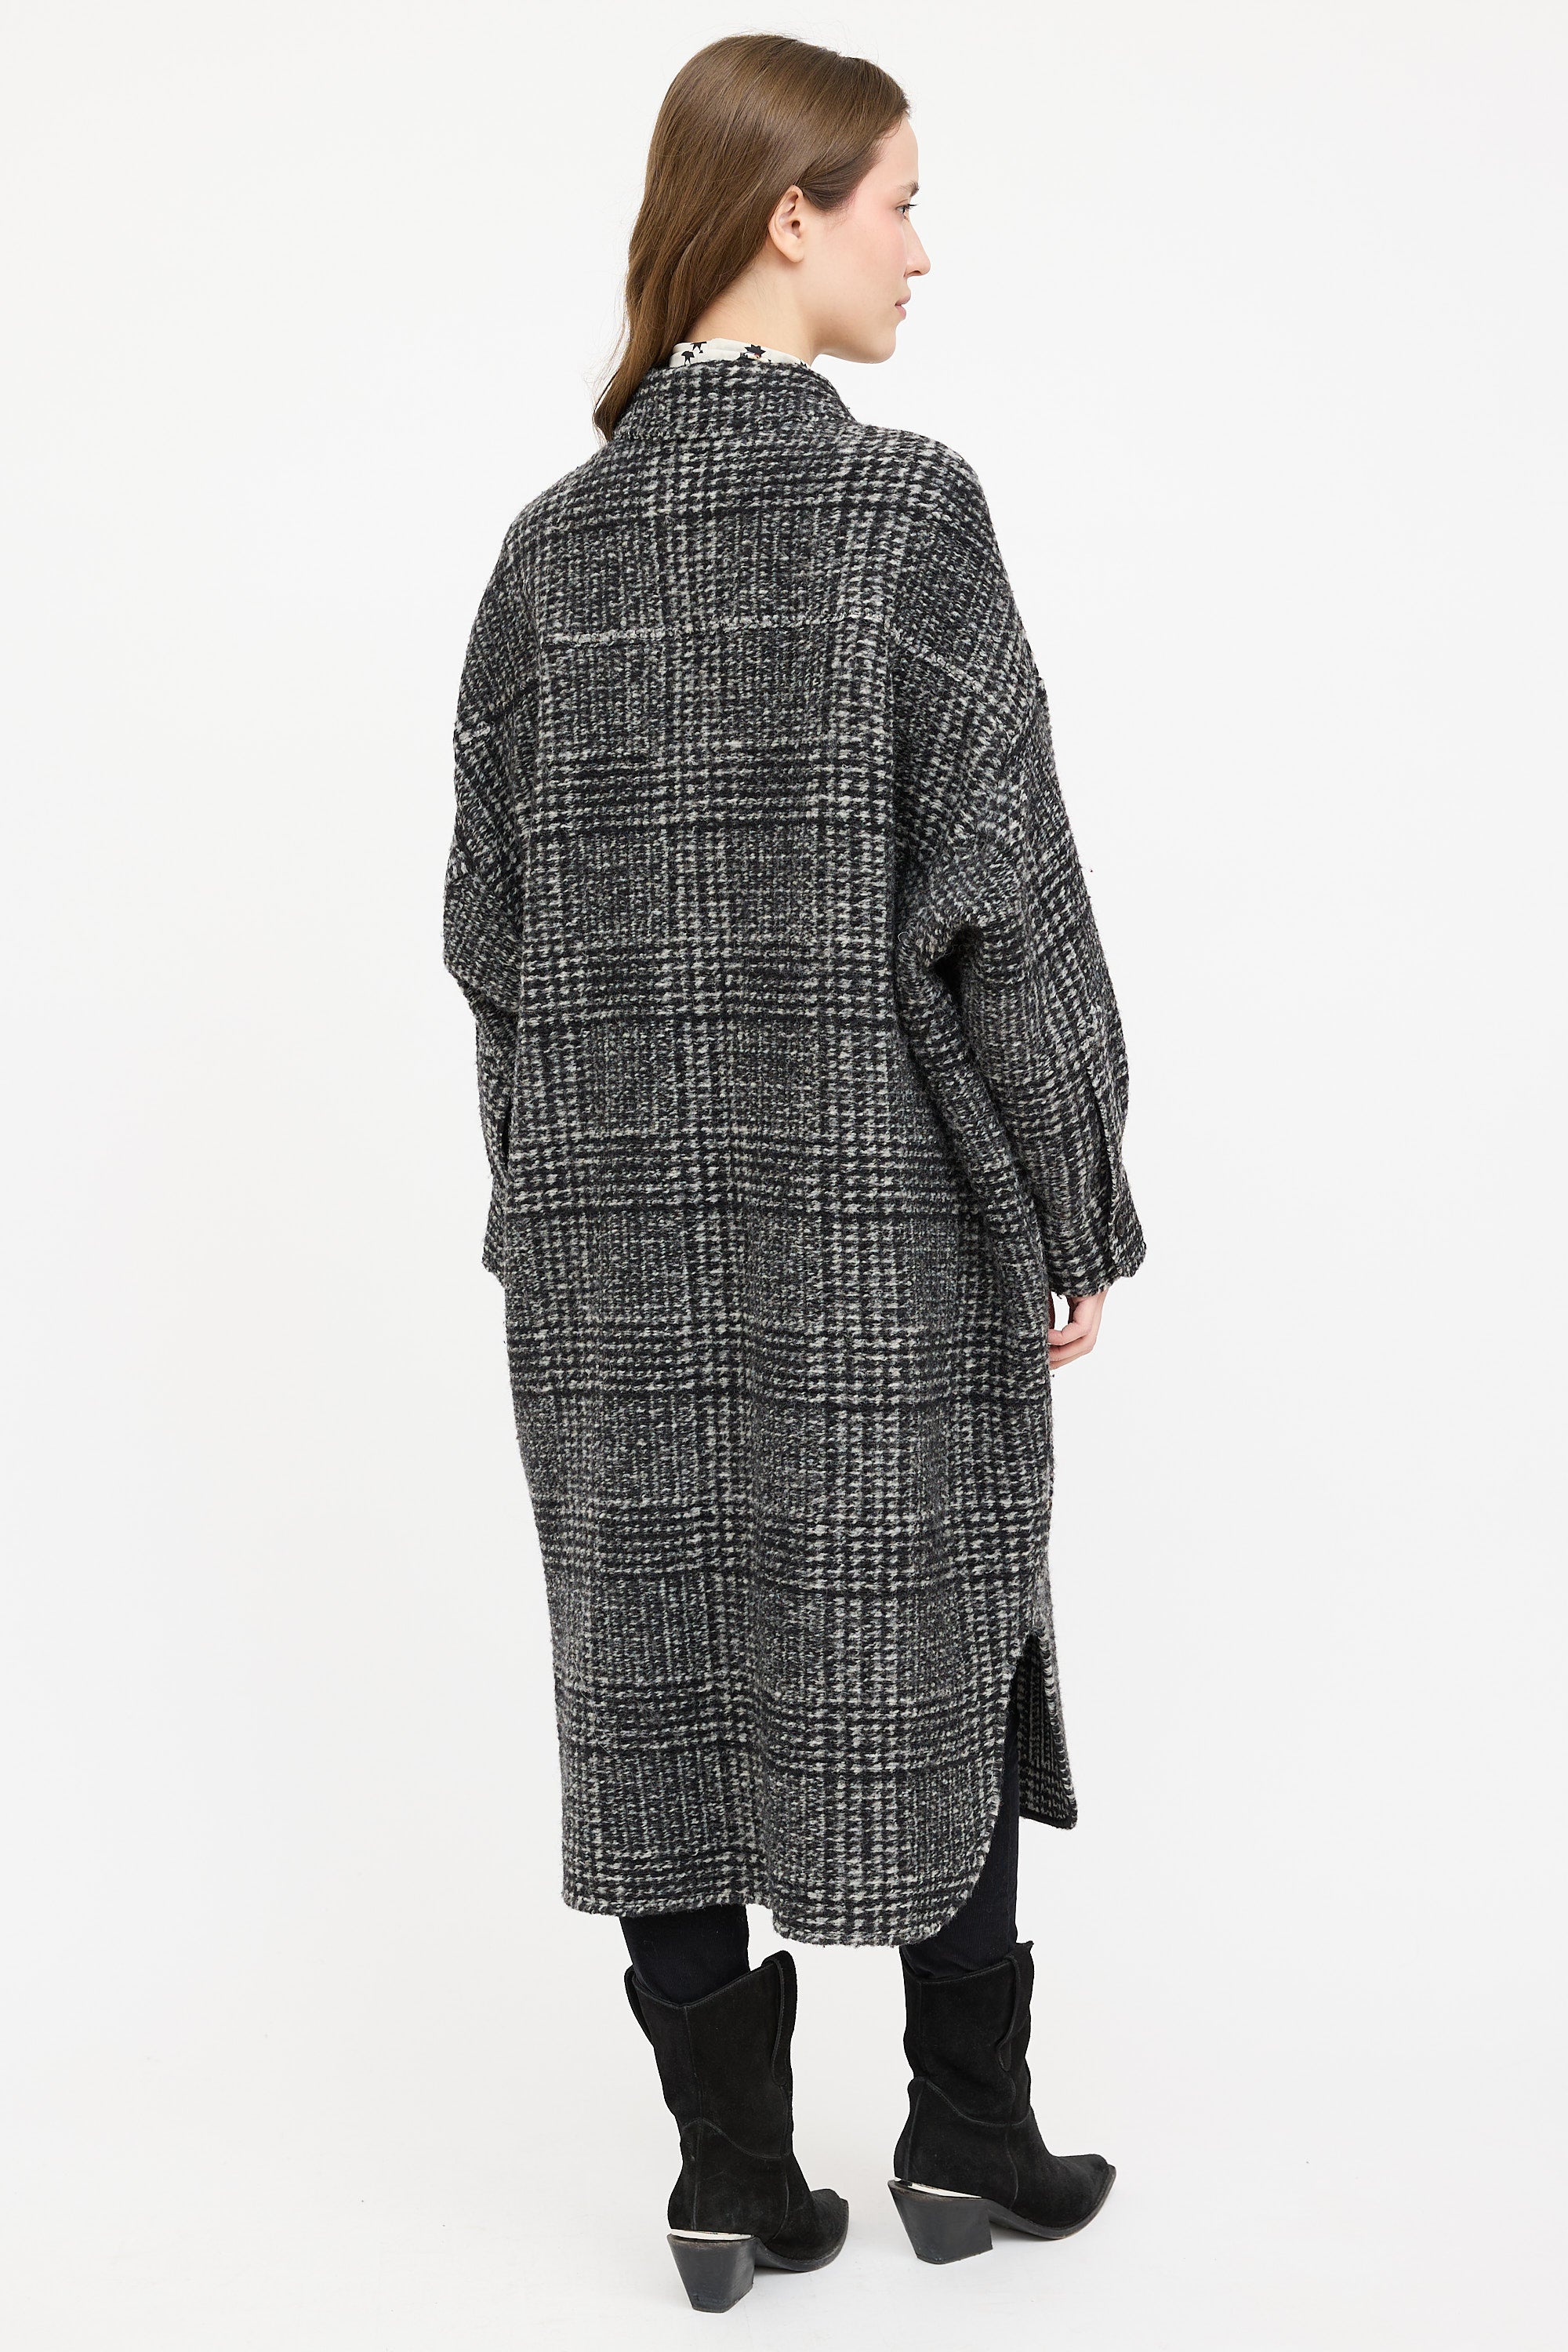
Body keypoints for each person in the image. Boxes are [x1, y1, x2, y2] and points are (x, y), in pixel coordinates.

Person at [442, 33, 1145, 2312]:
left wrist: (552, 1208)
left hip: (607, 1253)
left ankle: (728, 2181)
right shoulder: (903, 518)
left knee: (654, 1667)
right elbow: (1008, 907)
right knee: (934, 1629)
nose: (922, 251)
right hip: (886, 1230)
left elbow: (489, 948)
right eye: (900, 202)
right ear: (788, 214)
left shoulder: (549, 558)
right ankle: (968, 2137)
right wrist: (1076, 1199)